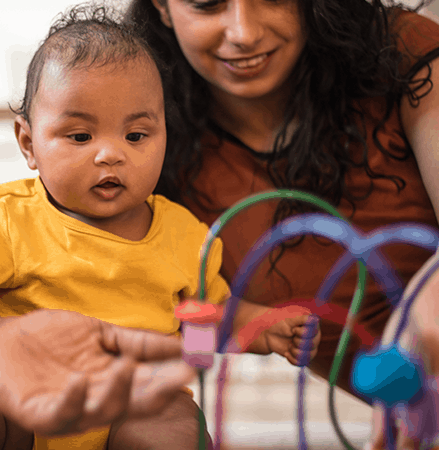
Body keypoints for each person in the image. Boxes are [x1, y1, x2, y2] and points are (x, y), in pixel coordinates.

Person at [0, 7, 322, 449]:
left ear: (163, 138)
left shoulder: (185, 235)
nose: (110, 153)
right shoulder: (3, 216)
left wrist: (265, 329)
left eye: (136, 135)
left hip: (133, 404)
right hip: (20, 405)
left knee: (178, 420)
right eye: (80, 136)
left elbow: (209, 316)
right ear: (28, 144)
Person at [125, 0, 439, 448]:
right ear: (161, 6)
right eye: (207, 4)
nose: (243, 32)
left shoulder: (401, 52)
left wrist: (420, 326)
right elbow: (166, 321)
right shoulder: (144, 146)